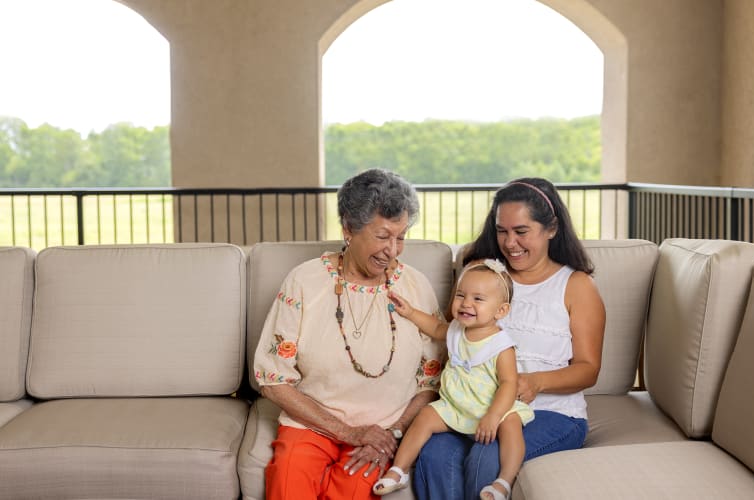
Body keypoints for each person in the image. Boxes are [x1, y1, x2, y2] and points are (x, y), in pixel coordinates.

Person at [253, 168, 446, 500]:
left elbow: (433, 381)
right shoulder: (305, 281)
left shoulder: (415, 287)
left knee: (355, 490)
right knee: (287, 485)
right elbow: (272, 379)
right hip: (311, 426)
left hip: (383, 431)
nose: (394, 250)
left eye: (401, 236)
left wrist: (393, 432)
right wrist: (347, 432)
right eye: (383, 236)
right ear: (348, 229)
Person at [413, 177, 606, 500]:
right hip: (474, 406)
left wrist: (536, 382)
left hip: (552, 413)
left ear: (552, 228)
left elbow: (588, 369)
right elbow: (454, 339)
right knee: (434, 455)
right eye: (502, 231)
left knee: (487, 457)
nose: (510, 243)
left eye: (521, 232)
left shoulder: (576, 285)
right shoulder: (481, 274)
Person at [373, 259, 534, 499]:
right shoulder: (457, 330)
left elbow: (509, 384)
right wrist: (410, 312)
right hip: (456, 407)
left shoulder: (501, 346)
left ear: (501, 311)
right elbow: (436, 328)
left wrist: (493, 416)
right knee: (426, 415)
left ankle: (504, 481)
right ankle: (399, 469)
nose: (466, 303)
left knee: (511, 428)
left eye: (478, 299)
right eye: (461, 295)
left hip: (490, 410)